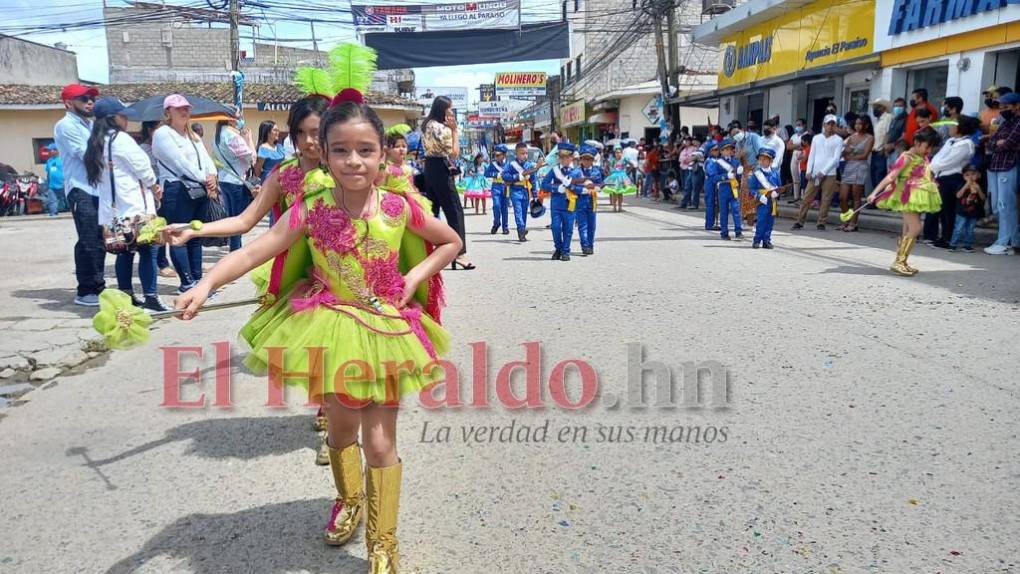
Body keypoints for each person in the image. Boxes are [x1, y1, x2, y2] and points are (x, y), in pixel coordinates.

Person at [176, 92, 462, 574]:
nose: (354, 161)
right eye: (341, 150)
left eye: (366, 149)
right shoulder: (310, 208)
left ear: (382, 153)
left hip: (388, 333)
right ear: (322, 154)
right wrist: (205, 284)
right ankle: (349, 500)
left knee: (380, 442)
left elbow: (450, 241)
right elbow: (253, 250)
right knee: (342, 432)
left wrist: (412, 279)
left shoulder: (398, 207)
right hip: (331, 331)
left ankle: (383, 544)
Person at [84, 97, 171, 313]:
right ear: (113, 118)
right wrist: (154, 187)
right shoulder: (121, 140)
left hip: (113, 213)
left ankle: (126, 297)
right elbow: (143, 167)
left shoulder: (97, 141)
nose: (126, 119)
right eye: (123, 115)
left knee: (124, 253)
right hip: (135, 210)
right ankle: (151, 297)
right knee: (149, 252)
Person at [152, 94, 218, 293]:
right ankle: (187, 282)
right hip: (177, 189)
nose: (184, 111)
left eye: (186, 108)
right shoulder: (163, 133)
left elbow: (206, 158)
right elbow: (179, 163)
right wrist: (204, 178)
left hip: (197, 190)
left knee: (195, 235)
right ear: (168, 112)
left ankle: (198, 279)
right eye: (178, 108)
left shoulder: (192, 135)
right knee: (179, 236)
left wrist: (212, 175)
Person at [54, 83, 106, 307]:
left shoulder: (92, 124)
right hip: (81, 189)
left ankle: (98, 284)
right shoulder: (65, 126)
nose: (90, 102)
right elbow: (88, 154)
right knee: (88, 240)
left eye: (91, 98)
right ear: (68, 103)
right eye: (84, 99)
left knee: (100, 239)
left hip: (97, 189)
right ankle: (86, 289)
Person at [867, 128, 942, 275]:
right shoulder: (907, 157)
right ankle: (899, 262)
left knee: (908, 230)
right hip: (907, 196)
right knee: (916, 228)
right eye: (927, 146)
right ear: (917, 142)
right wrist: (874, 193)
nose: (929, 150)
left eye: (931, 147)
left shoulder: (922, 157)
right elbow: (891, 176)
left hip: (917, 196)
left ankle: (903, 261)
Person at [422, 96, 473, 269]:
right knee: (455, 211)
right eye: (450, 108)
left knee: (432, 210)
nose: (451, 112)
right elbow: (454, 154)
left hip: (429, 167)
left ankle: (427, 250)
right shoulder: (441, 128)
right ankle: (459, 253)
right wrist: (455, 130)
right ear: (443, 109)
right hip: (441, 168)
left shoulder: (427, 125)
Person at [925, 115, 976, 248]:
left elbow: (948, 162)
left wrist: (932, 167)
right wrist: (933, 166)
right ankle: (943, 237)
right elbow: (937, 158)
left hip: (952, 177)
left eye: (953, 126)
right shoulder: (950, 141)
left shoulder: (966, 144)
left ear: (959, 128)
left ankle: (947, 239)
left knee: (948, 210)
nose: (950, 128)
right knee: (942, 209)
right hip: (941, 176)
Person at [213, 107, 256, 251]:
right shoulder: (232, 136)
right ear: (231, 119)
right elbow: (251, 158)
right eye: (238, 117)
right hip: (237, 181)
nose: (240, 120)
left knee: (231, 217)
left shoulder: (217, 136)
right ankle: (236, 250)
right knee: (238, 219)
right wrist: (249, 138)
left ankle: (235, 247)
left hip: (225, 179)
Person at [983, 91, 1020, 255]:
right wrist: (997, 143)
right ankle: (1007, 239)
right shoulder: (1005, 123)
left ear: (1017, 106)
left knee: (1006, 205)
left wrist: (998, 144)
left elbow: (1009, 143)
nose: (1002, 110)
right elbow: (991, 142)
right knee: (998, 205)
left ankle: (1007, 243)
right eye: (1001, 106)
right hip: (996, 165)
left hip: (1009, 165)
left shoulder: (1018, 123)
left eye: (1006, 106)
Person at [792, 115, 844, 231]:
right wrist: (809, 170)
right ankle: (800, 221)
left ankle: (821, 222)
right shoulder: (817, 138)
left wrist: (824, 171)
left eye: (832, 124)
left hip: (829, 173)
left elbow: (835, 159)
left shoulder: (838, 140)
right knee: (806, 197)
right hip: (815, 173)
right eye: (828, 124)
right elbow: (812, 155)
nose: (830, 126)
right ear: (824, 125)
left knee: (826, 199)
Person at [838, 116, 875, 232]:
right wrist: (847, 153)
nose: (857, 126)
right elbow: (843, 153)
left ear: (866, 125)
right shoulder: (851, 137)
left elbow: (865, 155)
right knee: (842, 197)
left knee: (856, 196)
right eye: (856, 124)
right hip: (849, 166)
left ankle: (854, 223)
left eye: (860, 124)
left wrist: (850, 155)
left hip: (860, 167)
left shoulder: (870, 138)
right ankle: (846, 219)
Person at [542, 142, 578, 260]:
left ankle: (566, 251)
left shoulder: (576, 171)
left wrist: (572, 187)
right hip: (557, 203)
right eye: (561, 157)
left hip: (570, 203)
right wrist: (556, 188)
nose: (563, 159)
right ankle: (558, 248)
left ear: (572, 157)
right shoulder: (554, 170)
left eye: (566, 156)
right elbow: (544, 184)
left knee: (568, 228)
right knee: (556, 227)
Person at [503, 142, 542, 242]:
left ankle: (522, 233)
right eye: (522, 153)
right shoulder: (511, 165)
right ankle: (520, 229)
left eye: (526, 153)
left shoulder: (529, 165)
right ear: (516, 154)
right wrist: (517, 177)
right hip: (515, 190)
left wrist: (534, 194)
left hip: (525, 191)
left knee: (524, 212)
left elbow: (532, 180)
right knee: (518, 211)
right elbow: (505, 176)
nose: (525, 155)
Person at [573, 143, 603, 256]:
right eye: (584, 159)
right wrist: (582, 189)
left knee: (592, 225)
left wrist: (597, 187)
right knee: (582, 225)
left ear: (593, 160)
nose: (587, 161)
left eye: (589, 159)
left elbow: (600, 184)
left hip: (592, 200)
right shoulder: (576, 172)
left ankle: (590, 245)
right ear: (581, 159)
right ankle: (584, 246)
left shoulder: (596, 171)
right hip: (580, 201)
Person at [709, 139, 742, 240]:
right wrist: (726, 176)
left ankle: (738, 231)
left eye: (730, 149)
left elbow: (739, 175)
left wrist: (740, 172)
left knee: (736, 209)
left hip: (734, 188)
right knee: (723, 212)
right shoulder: (718, 163)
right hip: (723, 188)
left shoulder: (736, 162)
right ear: (721, 151)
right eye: (725, 149)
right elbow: (714, 178)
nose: (728, 151)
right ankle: (724, 233)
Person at [748, 148, 781, 249]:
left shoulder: (775, 173)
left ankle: (766, 240)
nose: (762, 161)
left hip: (772, 200)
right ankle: (757, 240)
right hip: (762, 200)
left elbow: (779, 186)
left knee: (770, 221)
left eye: (765, 159)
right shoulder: (757, 174)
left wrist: (777, 192)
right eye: (760, 159)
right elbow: (752, 189)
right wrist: (759, 196)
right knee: (761, 221)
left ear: (770, 161)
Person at [949, 164, 985, 252]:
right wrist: (966, 186)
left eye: (973, 174)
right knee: (958, 228)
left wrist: (979, 189)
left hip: (973, 212)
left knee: (970, 229)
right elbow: (958, 195)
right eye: (967, 175)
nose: (970, 177)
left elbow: (983, 197)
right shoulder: (961, 184)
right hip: (961, 211)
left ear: (978, 175)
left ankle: (967, 245)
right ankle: (953, 244)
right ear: (963, 176)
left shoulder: (979, 185)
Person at [485, 144, 510, 235]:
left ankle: (505, 227)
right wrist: (495, 174)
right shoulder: (493, 164)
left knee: (504, 208)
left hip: (506, 187)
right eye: (496, 155)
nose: (496, 157)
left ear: (504, 155)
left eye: (498, 155)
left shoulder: (509, 164)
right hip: (496, 186)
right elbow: (486, 173)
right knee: (496, 206)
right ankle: (496, 223)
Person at [602, 147, 637, 211]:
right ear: (615, 154)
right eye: (616, 153)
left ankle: (620, 207)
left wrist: (627, 172)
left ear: (622, 153)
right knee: (614, 192)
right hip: (614, 177)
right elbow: (606, 167)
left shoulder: (624, 159)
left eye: (619, 152)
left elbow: (632, 165)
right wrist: (609, 174)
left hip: (622, 177)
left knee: (620, 193)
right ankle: (614, 207)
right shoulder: (612, 160)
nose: (618, 154)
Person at [871, 99, 893, 188]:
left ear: (883, 108)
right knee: (874, 178)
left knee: (879, 178)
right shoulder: (878, 120)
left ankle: (879, 201)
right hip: (875, 152)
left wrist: (884, 148)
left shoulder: (888, 117)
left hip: (881, 153)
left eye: (876, 107)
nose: (874, 109)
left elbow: (888, 133)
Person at [786, 119, 807, 203]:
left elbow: (805, 146)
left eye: (800, 125)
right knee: (795, 177)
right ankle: (796, 196)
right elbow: (788, 147)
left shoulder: (807, 134)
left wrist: (794, 146)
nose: (798, 127)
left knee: (802, 177)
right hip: (794, 156)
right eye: (797, 125)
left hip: (803, 156)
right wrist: (798, 145)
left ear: (804, 125)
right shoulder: (794, 136)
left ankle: (803, 196)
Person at [680, 138, 704, 210]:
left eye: (695, 141)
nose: (693, 142)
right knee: (687, 186)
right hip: (691, 169)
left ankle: (694, 204)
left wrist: (690, 158)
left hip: (697, 170)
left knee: (695, 188)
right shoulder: (694, 149)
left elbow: (692, 158)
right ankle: (684, 203)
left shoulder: (701, 149)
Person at [884, 98, 909, 168]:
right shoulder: (894, 119)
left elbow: (904, 135)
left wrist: (892, 145)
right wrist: (886, 146)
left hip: (898, 151)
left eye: (900, 106)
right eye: (895, 106)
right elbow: (888, 133)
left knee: (895, 173)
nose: (897, 108)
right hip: (890, 152)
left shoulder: (907, 119)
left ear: (905, 107)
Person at [703, 141, 721, 230]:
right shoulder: (710, 161)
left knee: (714, 204)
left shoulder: (715, 160)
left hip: (713, 184)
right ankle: (709, 224)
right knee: (711, 204)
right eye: (715, 150)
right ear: (709, 151)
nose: (718, 151)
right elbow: (712, 174)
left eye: (718, 149)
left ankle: (712, 223)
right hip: (710, 184)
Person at [43, 144, 63, 216]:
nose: (49, 152)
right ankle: (53, 213)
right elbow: (48, 173)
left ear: (56, 150)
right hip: (52, 185)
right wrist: (48, 183)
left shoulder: (62, 159)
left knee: (69, 199)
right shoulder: (49, 161)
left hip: (63, 184)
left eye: (50, 150)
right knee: (52, 200)